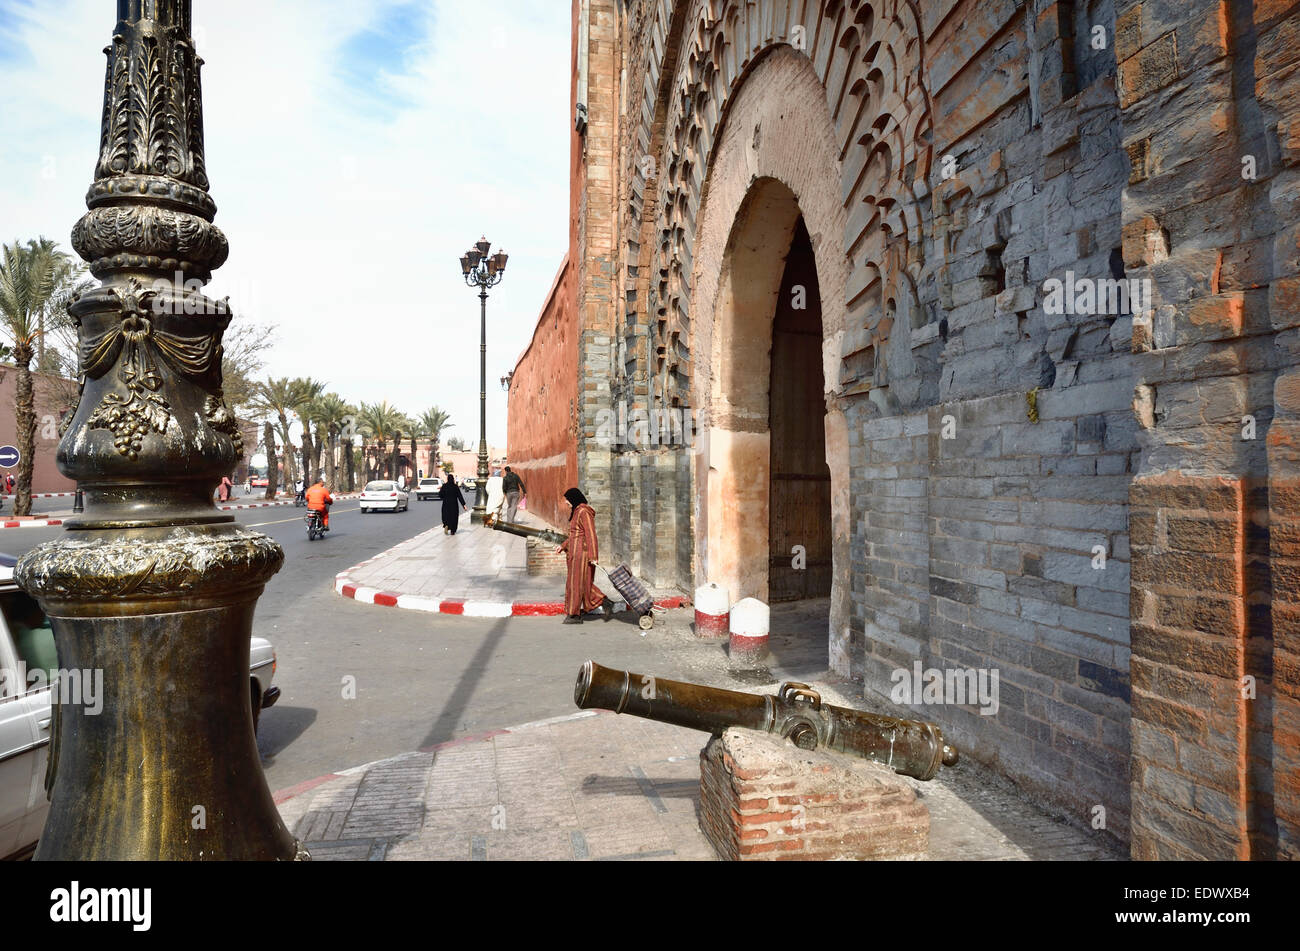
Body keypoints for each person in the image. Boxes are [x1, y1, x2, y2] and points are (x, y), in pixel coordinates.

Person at [556, 487, 611, 624]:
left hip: (582, 555)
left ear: (574, 498)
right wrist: (563, 546)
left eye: (568, 500)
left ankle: (574, 615)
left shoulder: (583, 512)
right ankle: (604, 602)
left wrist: (593, 556)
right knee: (581, 583)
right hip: (575, 554)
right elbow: (575, 534)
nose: (567, 503)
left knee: (575, 584)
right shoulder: (577, 512)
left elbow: (591, 534)